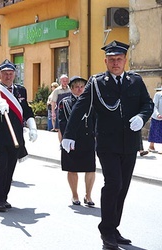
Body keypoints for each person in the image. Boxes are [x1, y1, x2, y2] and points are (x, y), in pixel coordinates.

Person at [61, 40, 153, 249]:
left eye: (119, 59)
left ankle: (114, 227)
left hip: (130, 143)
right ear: (106, 61)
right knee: (114, 184)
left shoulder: (135, 81)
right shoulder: (96, 83)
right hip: (106, 144)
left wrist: (142, 116)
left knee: (123, 187)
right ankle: (106, 231)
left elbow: (147, 104)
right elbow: (80, 107)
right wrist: (69, 134)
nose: (115, 63)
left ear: (125, 60)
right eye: (111, 60)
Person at [0, 59, 37, 212]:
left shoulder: (21, 90)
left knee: (10, 167)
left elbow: (26, 109)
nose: (8, 76)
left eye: (11, 73)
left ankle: (4, 196)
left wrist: (32, 126)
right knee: (1, 164)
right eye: (5, 74)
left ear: (14, 74)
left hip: (16, 134)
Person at [58, 76, 96, 206]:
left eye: (82, 86)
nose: (79, 89)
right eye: (76, 87)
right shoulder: (65, 102)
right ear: (71, 88)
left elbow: (96, 120)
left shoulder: (91, 102)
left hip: (88, 139)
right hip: (71, 139)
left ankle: (88, 195)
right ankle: (75, 195)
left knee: (90, 168)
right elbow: (62, 123)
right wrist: (63, 141)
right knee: (72, 168)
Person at [51, 75, 71, 140]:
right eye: (63, 81)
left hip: (69, 111)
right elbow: (53, 102)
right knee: (60, 128)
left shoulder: (71, 89)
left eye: (66, 81)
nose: (65, 82)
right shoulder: (57, 91)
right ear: (60, 81)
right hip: (60, 112)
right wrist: (53, 113)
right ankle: (61, 144)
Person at [147, 87, 162, 153]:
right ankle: (151, 146)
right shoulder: (158, 94)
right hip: (158, 116)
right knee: (154, 131)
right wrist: (157, 114)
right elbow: (154, 105)